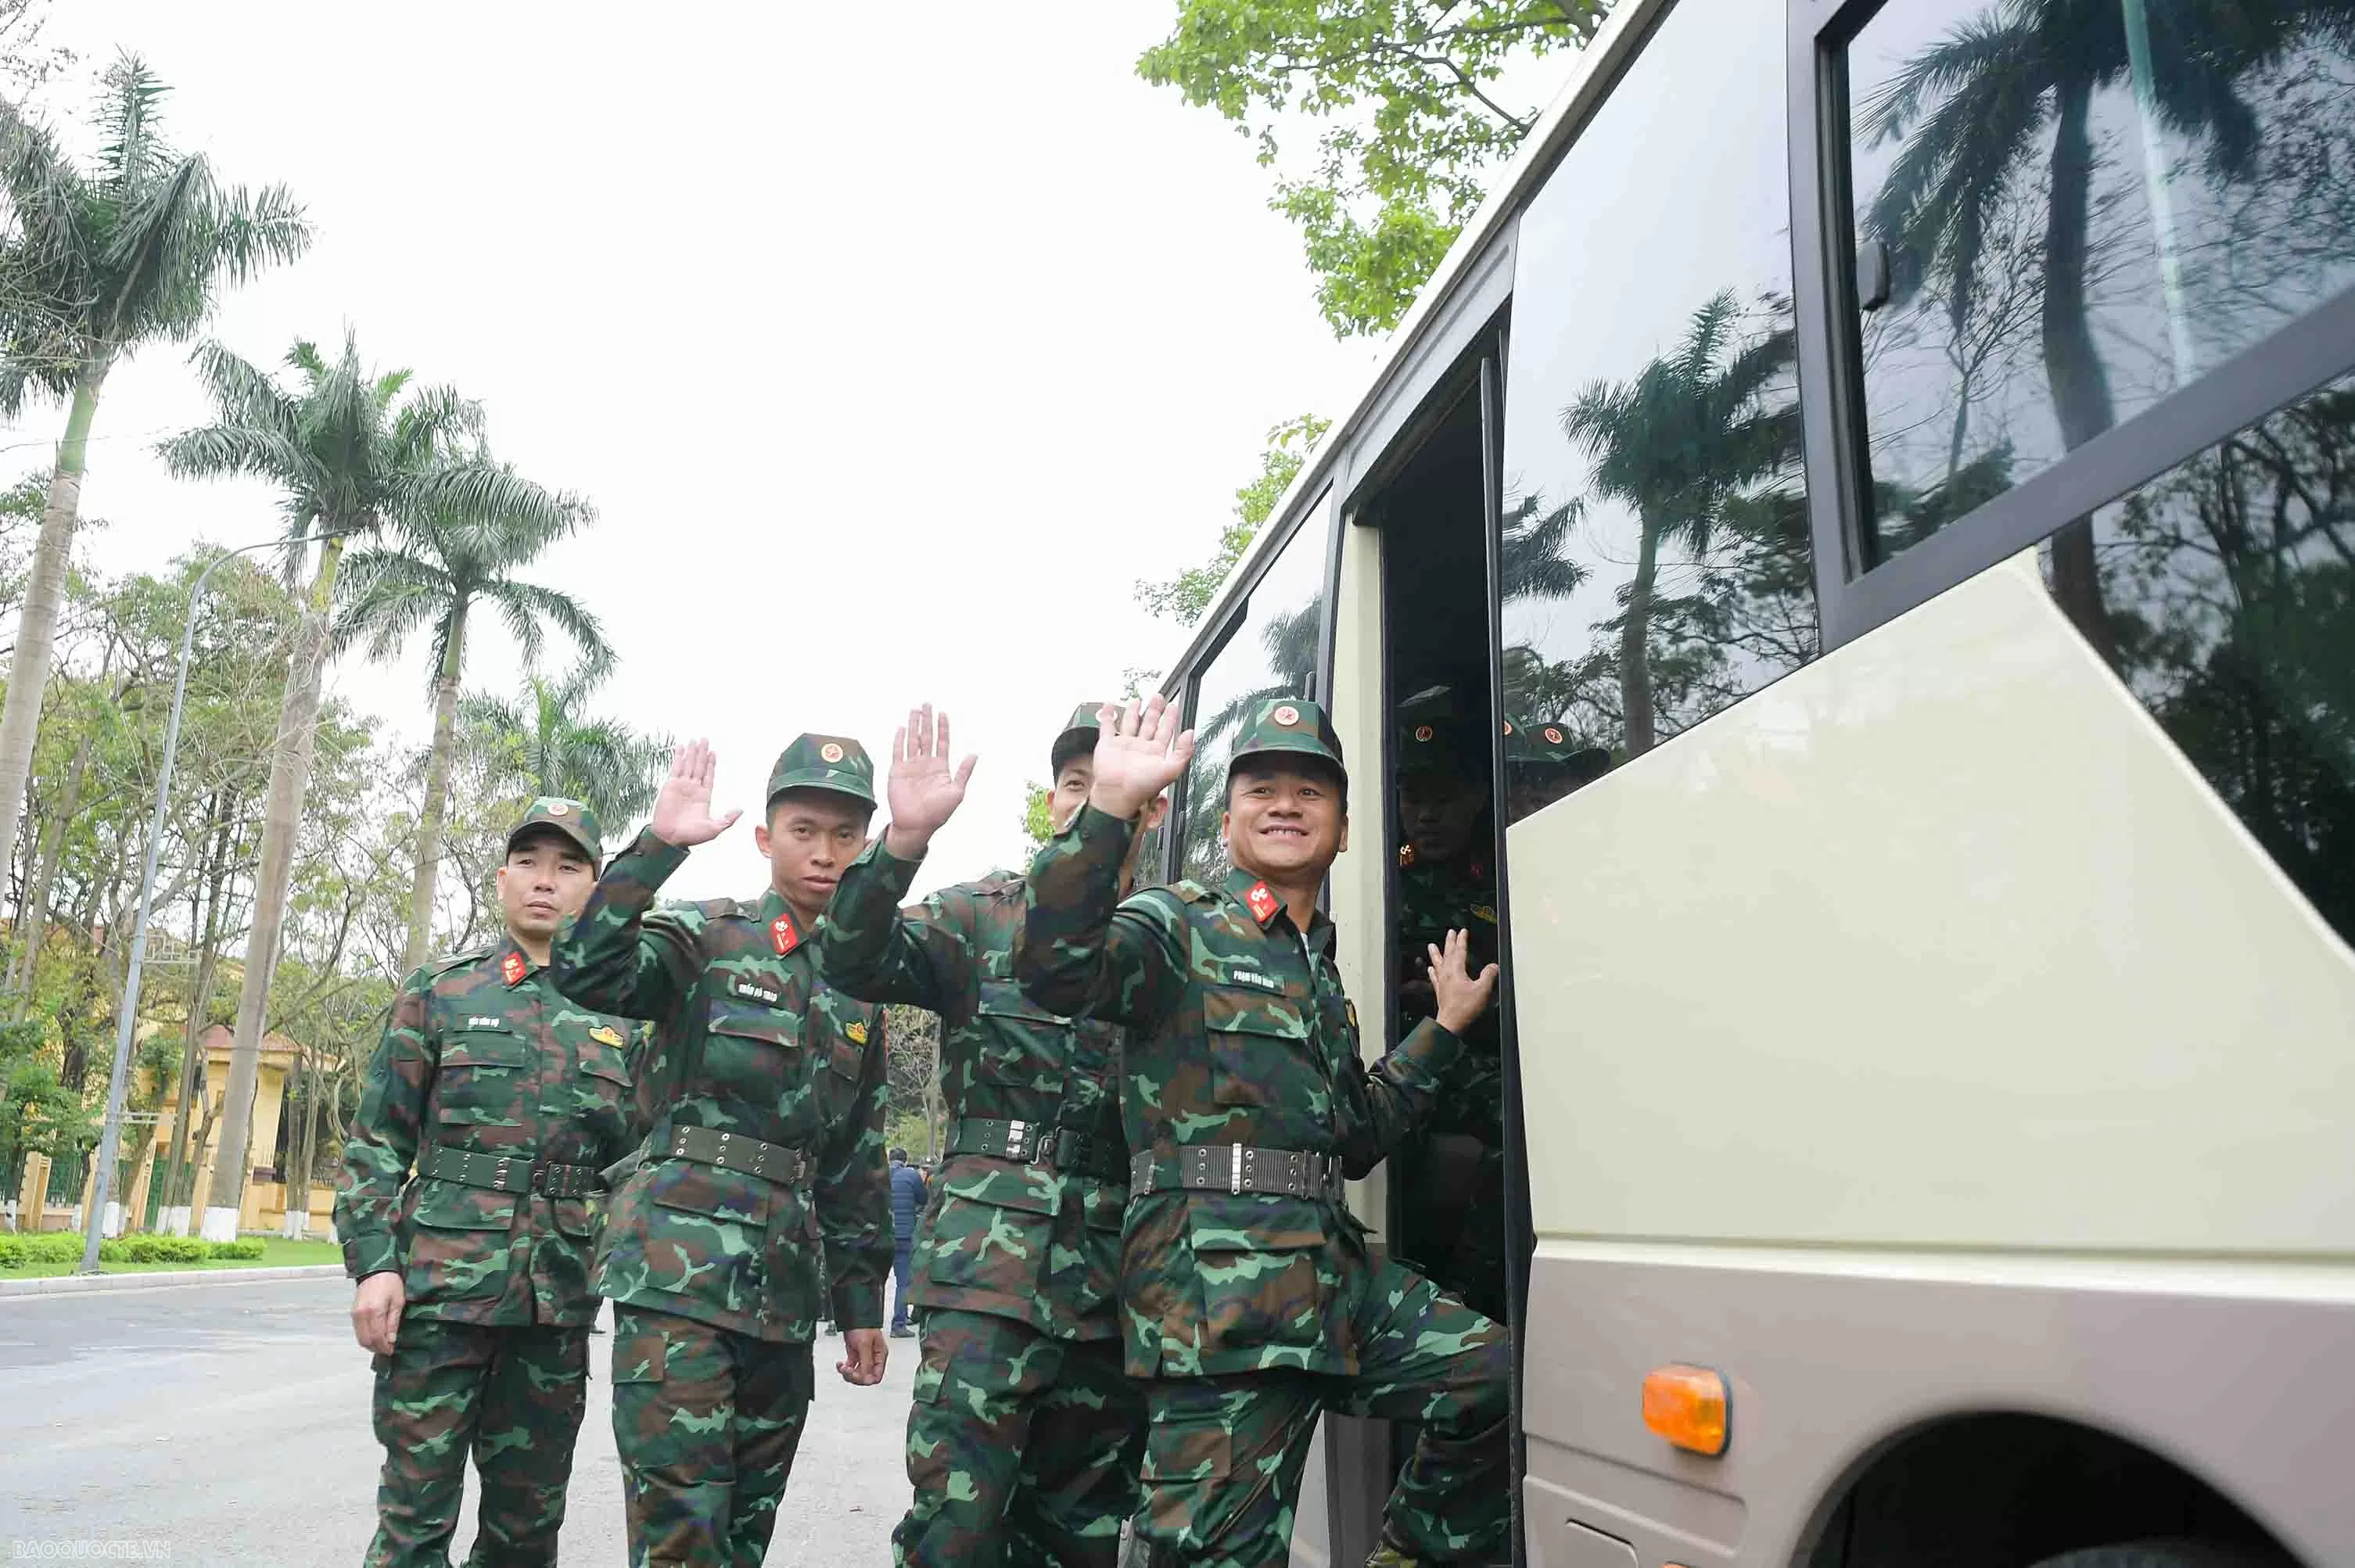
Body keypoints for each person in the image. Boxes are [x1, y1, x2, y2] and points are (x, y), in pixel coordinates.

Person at [1019, 693, 1512, 1568]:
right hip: (1217, 1299)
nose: (1286, 803)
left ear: (1346, 829)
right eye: (1262, 788)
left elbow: (1355, 1137)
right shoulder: (1173, 922)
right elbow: (1054, 965)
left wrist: (1440, 1028)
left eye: (1310, 791)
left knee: (1488, 1378)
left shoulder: (1317, 968)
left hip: (1328, 1277)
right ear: (1228, 815)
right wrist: (1108, 812)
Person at [820, 701, 1158, 1567]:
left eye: (1112, 783)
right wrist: (899, 843)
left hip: (1113, 1277)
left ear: (1149, 807)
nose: (1092, 800)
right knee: (957, 1527)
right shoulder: (979, 915)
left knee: (1080, 1532)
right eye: (1076, 783)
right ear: (1053, 803)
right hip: (985, 1273)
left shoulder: (1169, 937)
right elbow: (851, 958)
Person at [550, 737, 893, 1568]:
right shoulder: (703, 938)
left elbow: (855, 1153)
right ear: (765, 838)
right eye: (805, 828)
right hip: (677, 1276)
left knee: (743, 1537)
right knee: (681, 1539)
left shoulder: (864, 985)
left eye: (846, 834)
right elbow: (585, 967)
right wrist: (658, 846)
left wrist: (858, 1304)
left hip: (782, 1293)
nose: (824, 852)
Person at [335, 798, 641, 1568]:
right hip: (438, 1298)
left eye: (568, 866)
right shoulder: (441, 992)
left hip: (555, 1306)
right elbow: (376, 1143)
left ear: (594, 886)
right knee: (412, 1525)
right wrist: (375, 1263)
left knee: (524, 1534)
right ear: (502, 878)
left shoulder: (627, 1012)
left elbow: (640, 1163)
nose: (546, 881)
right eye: (530, 864)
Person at [1391, 687, 1509, 1324]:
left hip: (1477, 1051)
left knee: (1522, 1119)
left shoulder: (1503, 877)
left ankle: (1474, 1296)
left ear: (1477, 798)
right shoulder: (1385, 881)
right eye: (1414, 799)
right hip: (1406, 1060)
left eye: (1444, 799)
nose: (1426, 815)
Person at [888, 1145, 928, 1337]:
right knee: (903, 1282)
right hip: (904, 1235)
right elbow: (924, 1198)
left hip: (880, 1234)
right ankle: (898, 1325)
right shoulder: (911, 1176)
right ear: (905, 1160)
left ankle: (868, 1325)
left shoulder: (879, 1175)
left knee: (874, 1281)